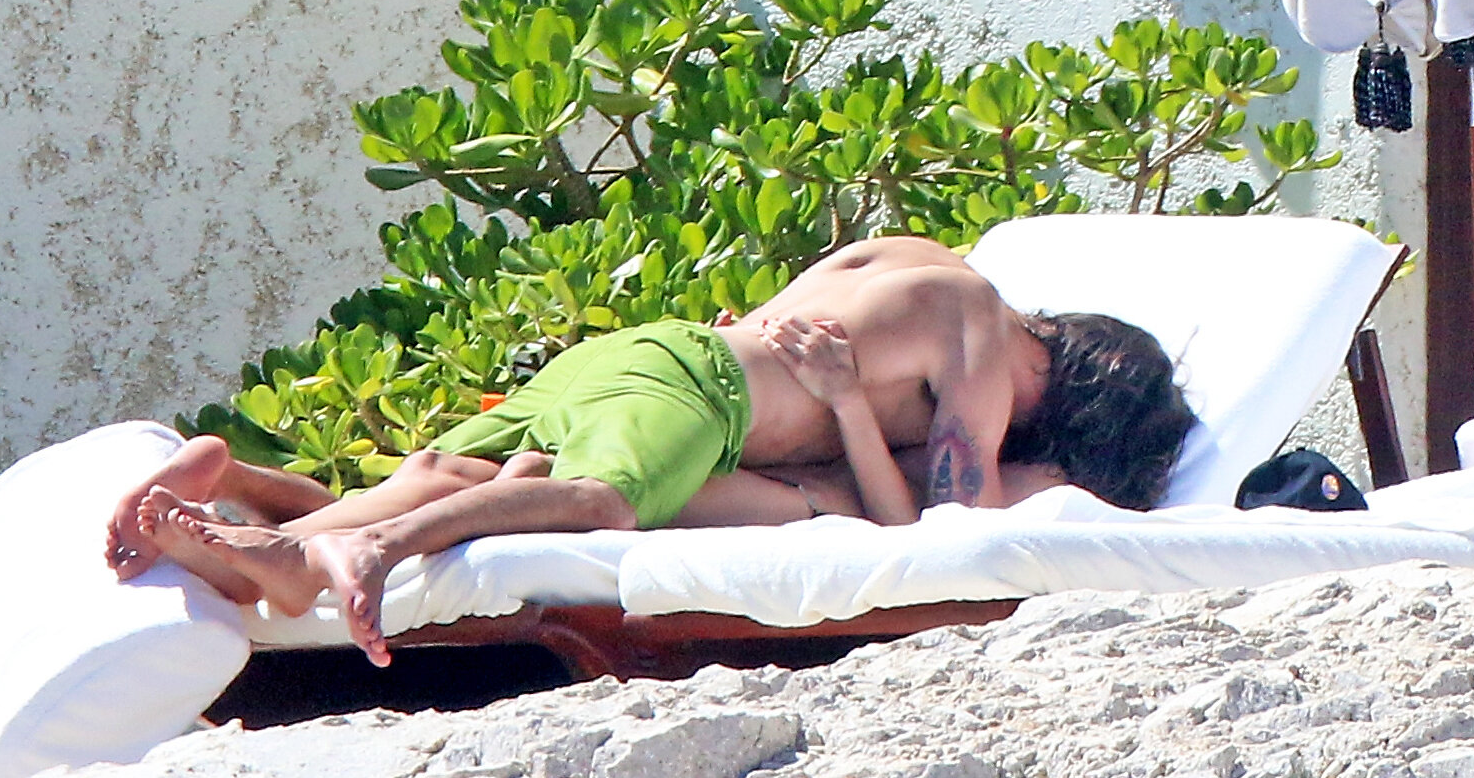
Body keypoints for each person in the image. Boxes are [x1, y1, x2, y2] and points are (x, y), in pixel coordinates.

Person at [114, 236, 1195, 665]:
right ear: (1073, 385)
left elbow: (781, 324)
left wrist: (841, 404)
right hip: (699, 395)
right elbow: (946, 535)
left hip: (637, 359)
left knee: (448, 475)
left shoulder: (915, 260)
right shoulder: (986, 335)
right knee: (600, 503)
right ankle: (368, 550)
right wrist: (850, 415)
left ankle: (252, 504)